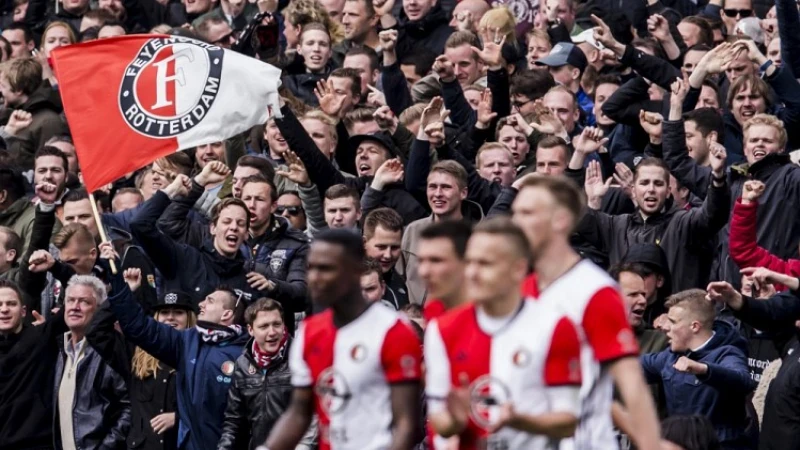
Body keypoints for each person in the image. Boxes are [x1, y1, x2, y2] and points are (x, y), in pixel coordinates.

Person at [511, 175, 662, 450]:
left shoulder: (594, 292)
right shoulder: (523, 289)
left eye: (528, 213)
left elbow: (631, 385)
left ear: (560, 220)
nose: (517, 223)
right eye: (517, 213)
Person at [424, 217, 583, 448]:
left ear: (518, 269)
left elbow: (569, 420)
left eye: (485, 264)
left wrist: (521, 422)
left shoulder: (555, 326)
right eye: (469, 262)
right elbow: (439, 418)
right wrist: (455, 422)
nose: (472, 273)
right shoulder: (442, 329)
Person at [265, 229, 422, 450]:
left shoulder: (394, 332)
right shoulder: (310, 332)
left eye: (326, 269)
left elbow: (406, 425)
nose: (315, 278)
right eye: (312, 268)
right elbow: (299, 413)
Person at [108, 266, 248, 450]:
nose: (201, 304)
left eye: (210, 301)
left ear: (227, 314)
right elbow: (139, 327)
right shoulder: (186, 342)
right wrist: (117, 279)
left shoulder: (245, 355)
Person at [577, 157, 731, 293]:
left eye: (658, 184)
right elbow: (576, 220)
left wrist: (717, 179)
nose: (651, 189)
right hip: (628, 319)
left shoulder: (684, 223)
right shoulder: (617, 226)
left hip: (674, 320)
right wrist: (593, 199)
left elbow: (713, 215)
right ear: (633, 189)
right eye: (644, 183)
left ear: (668, 191)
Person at [641, 289, 755, 448]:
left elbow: (743, 380)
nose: (667, 328)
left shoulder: (728, 352)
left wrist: (703, 369)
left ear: (694, 326)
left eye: (673, 322)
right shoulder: (670, 356)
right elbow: (633, 366)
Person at [218, 298, 316, 450]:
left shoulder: (301, 356)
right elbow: (234, 421)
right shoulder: (242, 364)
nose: (272, 332)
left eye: (277, 324)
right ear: (251, 330)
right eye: (264, 326)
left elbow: (314, 411)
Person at [55, 274, 131, 450]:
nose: (75, 307)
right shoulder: (60, 349)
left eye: (84, 302)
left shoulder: (111, 350)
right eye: (71, 300)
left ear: (99, 310)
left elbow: (128, 407)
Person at [127, 290, 197, 450]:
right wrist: (129, 292)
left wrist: (179, 418)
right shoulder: (136, 353)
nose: (170, 317)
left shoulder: (201, 355)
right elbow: (97, 332)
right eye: (164, 312)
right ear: (156, 317)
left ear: (189, 318)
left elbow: (214, 406)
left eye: (178, 312)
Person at [416, 220, 472, 322]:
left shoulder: (494, 318)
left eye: (436, 260)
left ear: (467, 262)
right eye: (420, 261)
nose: (424, 272)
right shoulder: (433, 313)